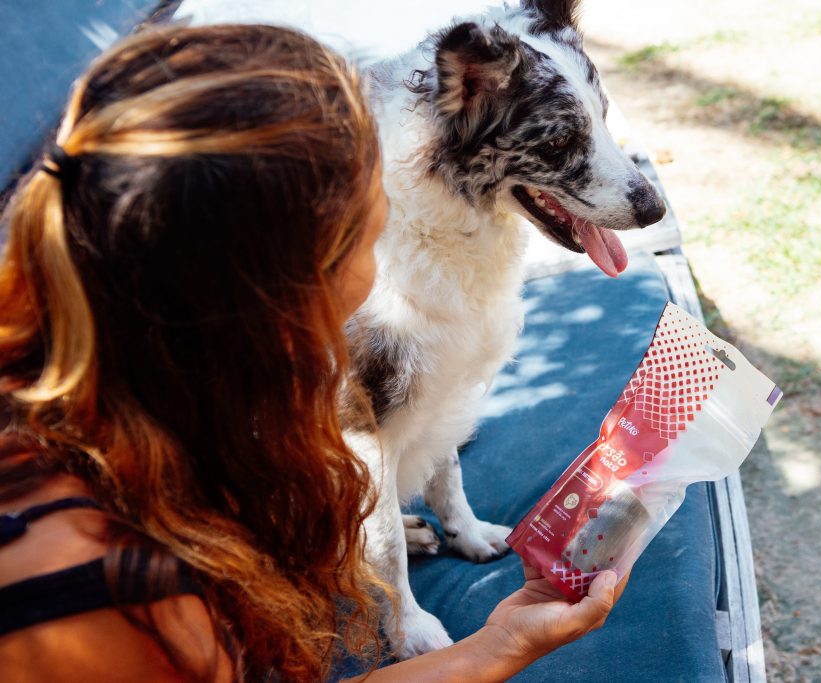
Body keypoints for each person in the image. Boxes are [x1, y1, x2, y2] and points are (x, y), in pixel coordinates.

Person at [0, 23, 626, 683]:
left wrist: (496, 646)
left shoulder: (154, 433)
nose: (394, 211)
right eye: (375, 200)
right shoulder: (126, 605)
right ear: (287, 289)